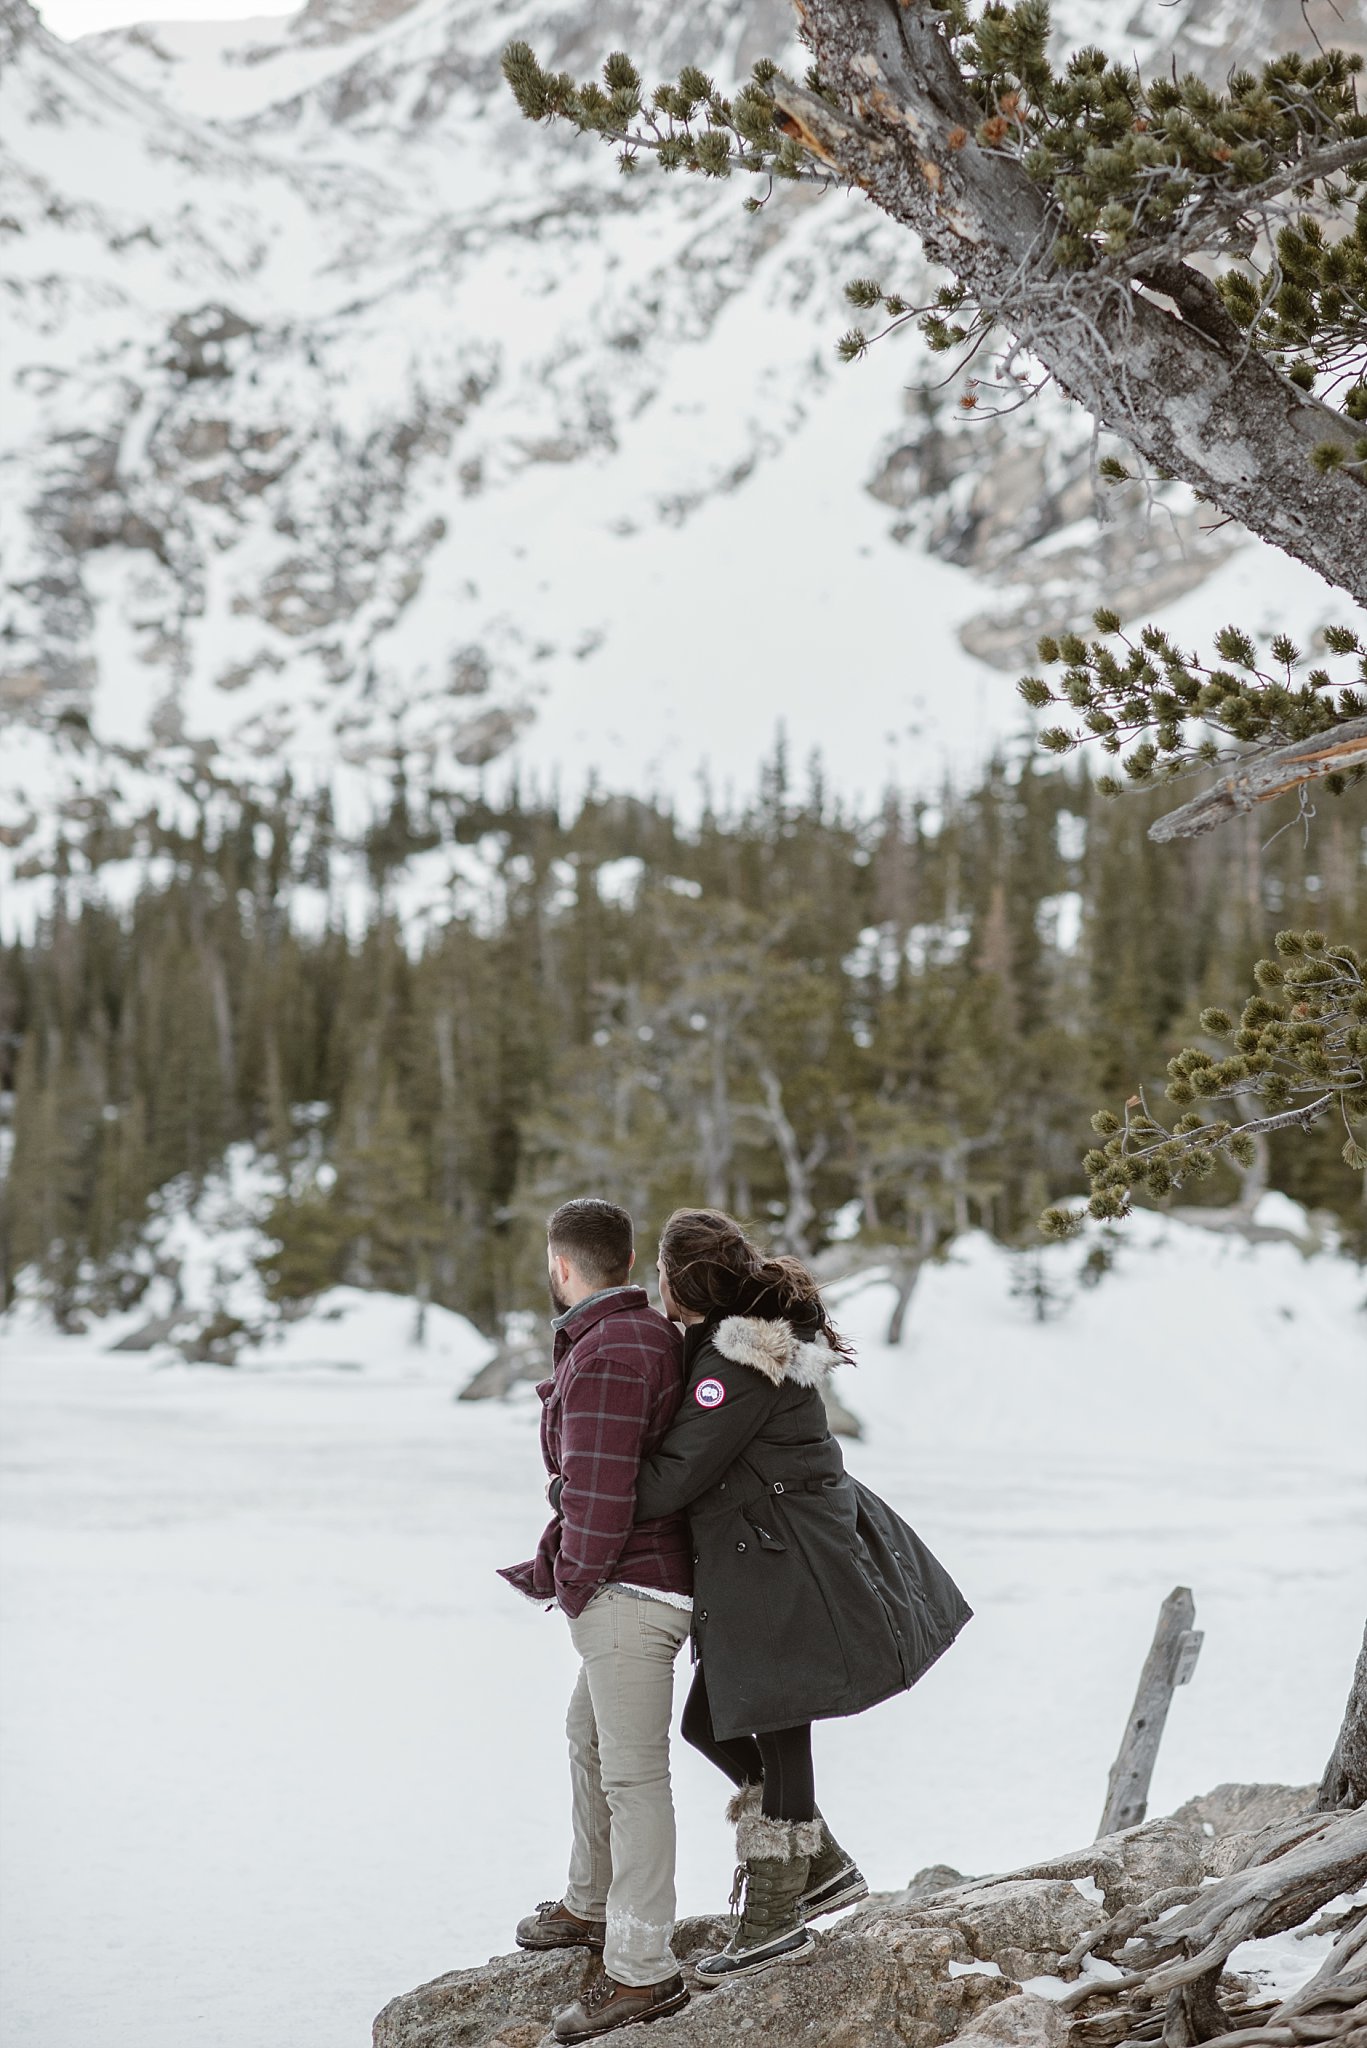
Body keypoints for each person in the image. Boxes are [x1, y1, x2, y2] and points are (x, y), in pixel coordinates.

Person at [633, 1207, 973, 1983]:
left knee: (777, 1726)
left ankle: (777, 1914)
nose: (656, 1285)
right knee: (711, 1724)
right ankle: (816, 1867)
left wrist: (586, 1486)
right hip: (775, 1553)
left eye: (661, 1272)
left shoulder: (737, 1363)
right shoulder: (726, 1344)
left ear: (686, 1280)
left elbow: (676, 1476)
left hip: (784, 1562)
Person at [498, 1198, 694, 2045]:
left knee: (633, 1776)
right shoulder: (637, 1335)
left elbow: (602, 1489)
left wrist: (573, 1582)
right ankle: (588, 1906)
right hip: (636, 1583)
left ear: (561, 1265)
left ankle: (642, 1971)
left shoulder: (612, 1351)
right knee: (587, 1739)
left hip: (632, 1590)